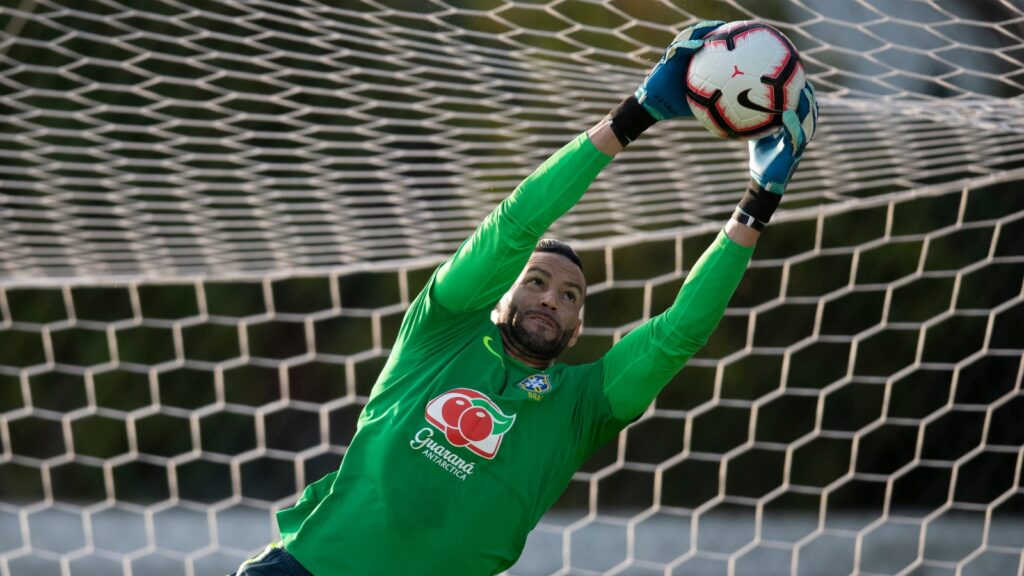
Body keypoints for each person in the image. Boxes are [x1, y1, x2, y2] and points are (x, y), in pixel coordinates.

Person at [231, 20, 818, 576]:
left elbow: (679, 332)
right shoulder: (442, 328)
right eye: (536, 280)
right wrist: (632, 116)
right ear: (499, 292)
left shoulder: (581, 407)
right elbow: (516, 223)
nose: (550, 298)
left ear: (579, 325)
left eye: (569, 294)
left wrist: (757, 204)